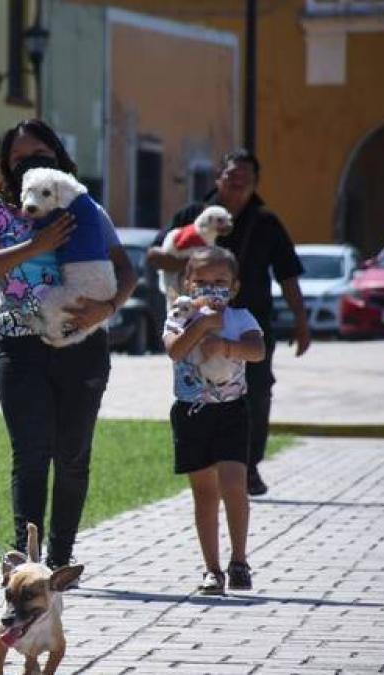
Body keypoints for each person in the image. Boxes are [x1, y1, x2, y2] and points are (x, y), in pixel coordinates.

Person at [0, 119, 137, 570]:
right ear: (7, 166)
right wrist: (34, 245)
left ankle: (60, 560)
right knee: (31, 453)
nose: (31, 163)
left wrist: (109, 307)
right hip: (20, 348)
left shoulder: (85, 208)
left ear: (58, 157)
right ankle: (28, 555)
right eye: (20, 159)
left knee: (73, 454)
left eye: (41, 154)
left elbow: (126, 268)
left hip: (83, 346)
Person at [147, 148, 309, 496]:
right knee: (199, 390)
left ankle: (248, 466)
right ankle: (206, 466)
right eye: (231, 177)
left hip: (250, 321)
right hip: (195, 321)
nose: (237, 184)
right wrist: (188, 265)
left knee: (258, 390)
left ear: (255, 184)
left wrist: (301, 320)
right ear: (218, 178)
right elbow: (154, 254)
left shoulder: (266, 221)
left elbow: (288, 274)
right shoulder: (193, 215)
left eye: (245, 179)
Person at [162, 246, 264, 594]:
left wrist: (226, 346)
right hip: (192, 414)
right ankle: (212, 570)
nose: (211, 287)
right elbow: (175, 351)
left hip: (232, 412)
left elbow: (257, 350)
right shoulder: (178, 317)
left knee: (234, 485)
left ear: (234, 286)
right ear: (188, 284)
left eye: (220, 281)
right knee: (205, 494)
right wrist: (202, 323)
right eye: (202, 281)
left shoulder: (242, 318)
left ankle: (239, 560)